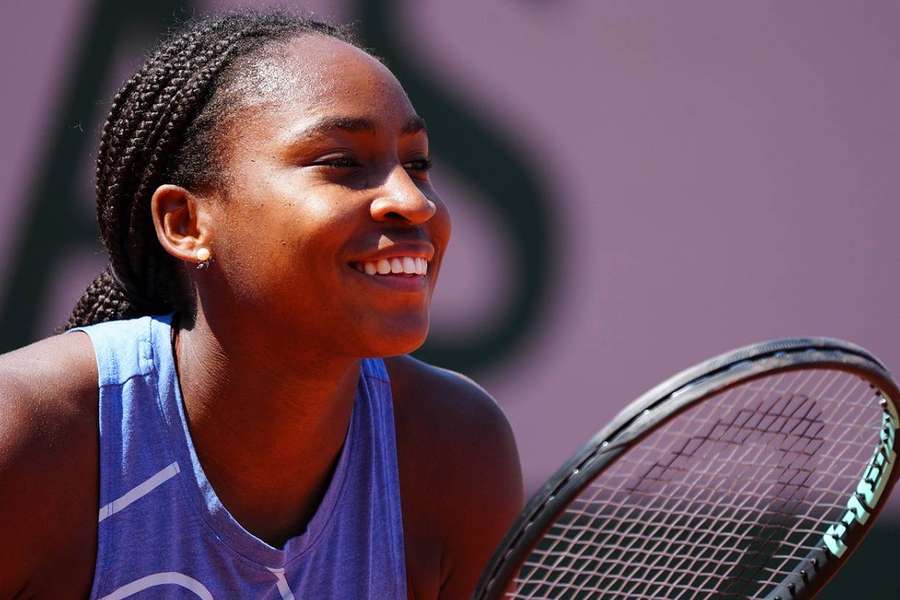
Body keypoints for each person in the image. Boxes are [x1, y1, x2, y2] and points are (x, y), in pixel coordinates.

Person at [0, 11, 523, 599]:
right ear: (186, 222)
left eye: (418, 164)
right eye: (342, 163)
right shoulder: (19, 436)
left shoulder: (457, 451)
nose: (414, 201)